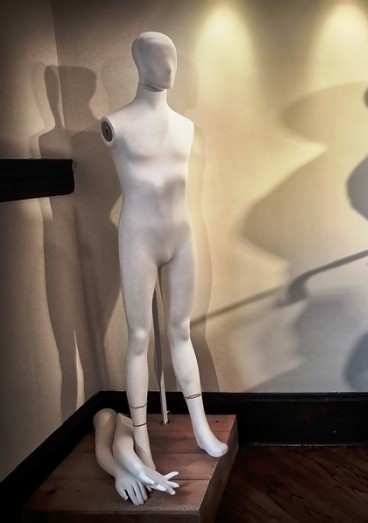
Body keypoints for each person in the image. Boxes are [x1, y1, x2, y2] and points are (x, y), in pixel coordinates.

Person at [101, 31, 228, 470]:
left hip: (181, 235)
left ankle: (199, 426)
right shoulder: (115, 123)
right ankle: (141, 444)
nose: (168, 66)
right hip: (138, 237)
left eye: (172, 56)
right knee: (140, 336)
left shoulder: (186, 126)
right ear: (139, 61)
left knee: (180, 330)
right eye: (158, 57)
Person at [93, 408, 179, 505]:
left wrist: (133, 469)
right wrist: (121, 472)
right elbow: (109, 447)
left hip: (129, 416)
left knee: (109, 417)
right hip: (124, 414)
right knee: (106, 415)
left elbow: (119, 446)